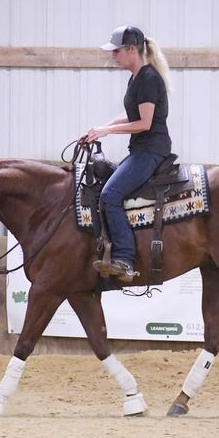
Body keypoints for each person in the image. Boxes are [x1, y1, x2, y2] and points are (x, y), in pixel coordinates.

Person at [85, 25, 173, 283]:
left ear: (132, 50)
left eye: (117, 51)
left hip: (150, 150)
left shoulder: (147, 79)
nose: (113, 56)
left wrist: (107, 132)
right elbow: (131, 114)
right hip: (142, 149)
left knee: (110, 195)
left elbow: (144, 123)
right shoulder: (137, 78)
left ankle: (124, 258)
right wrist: (101, 129)